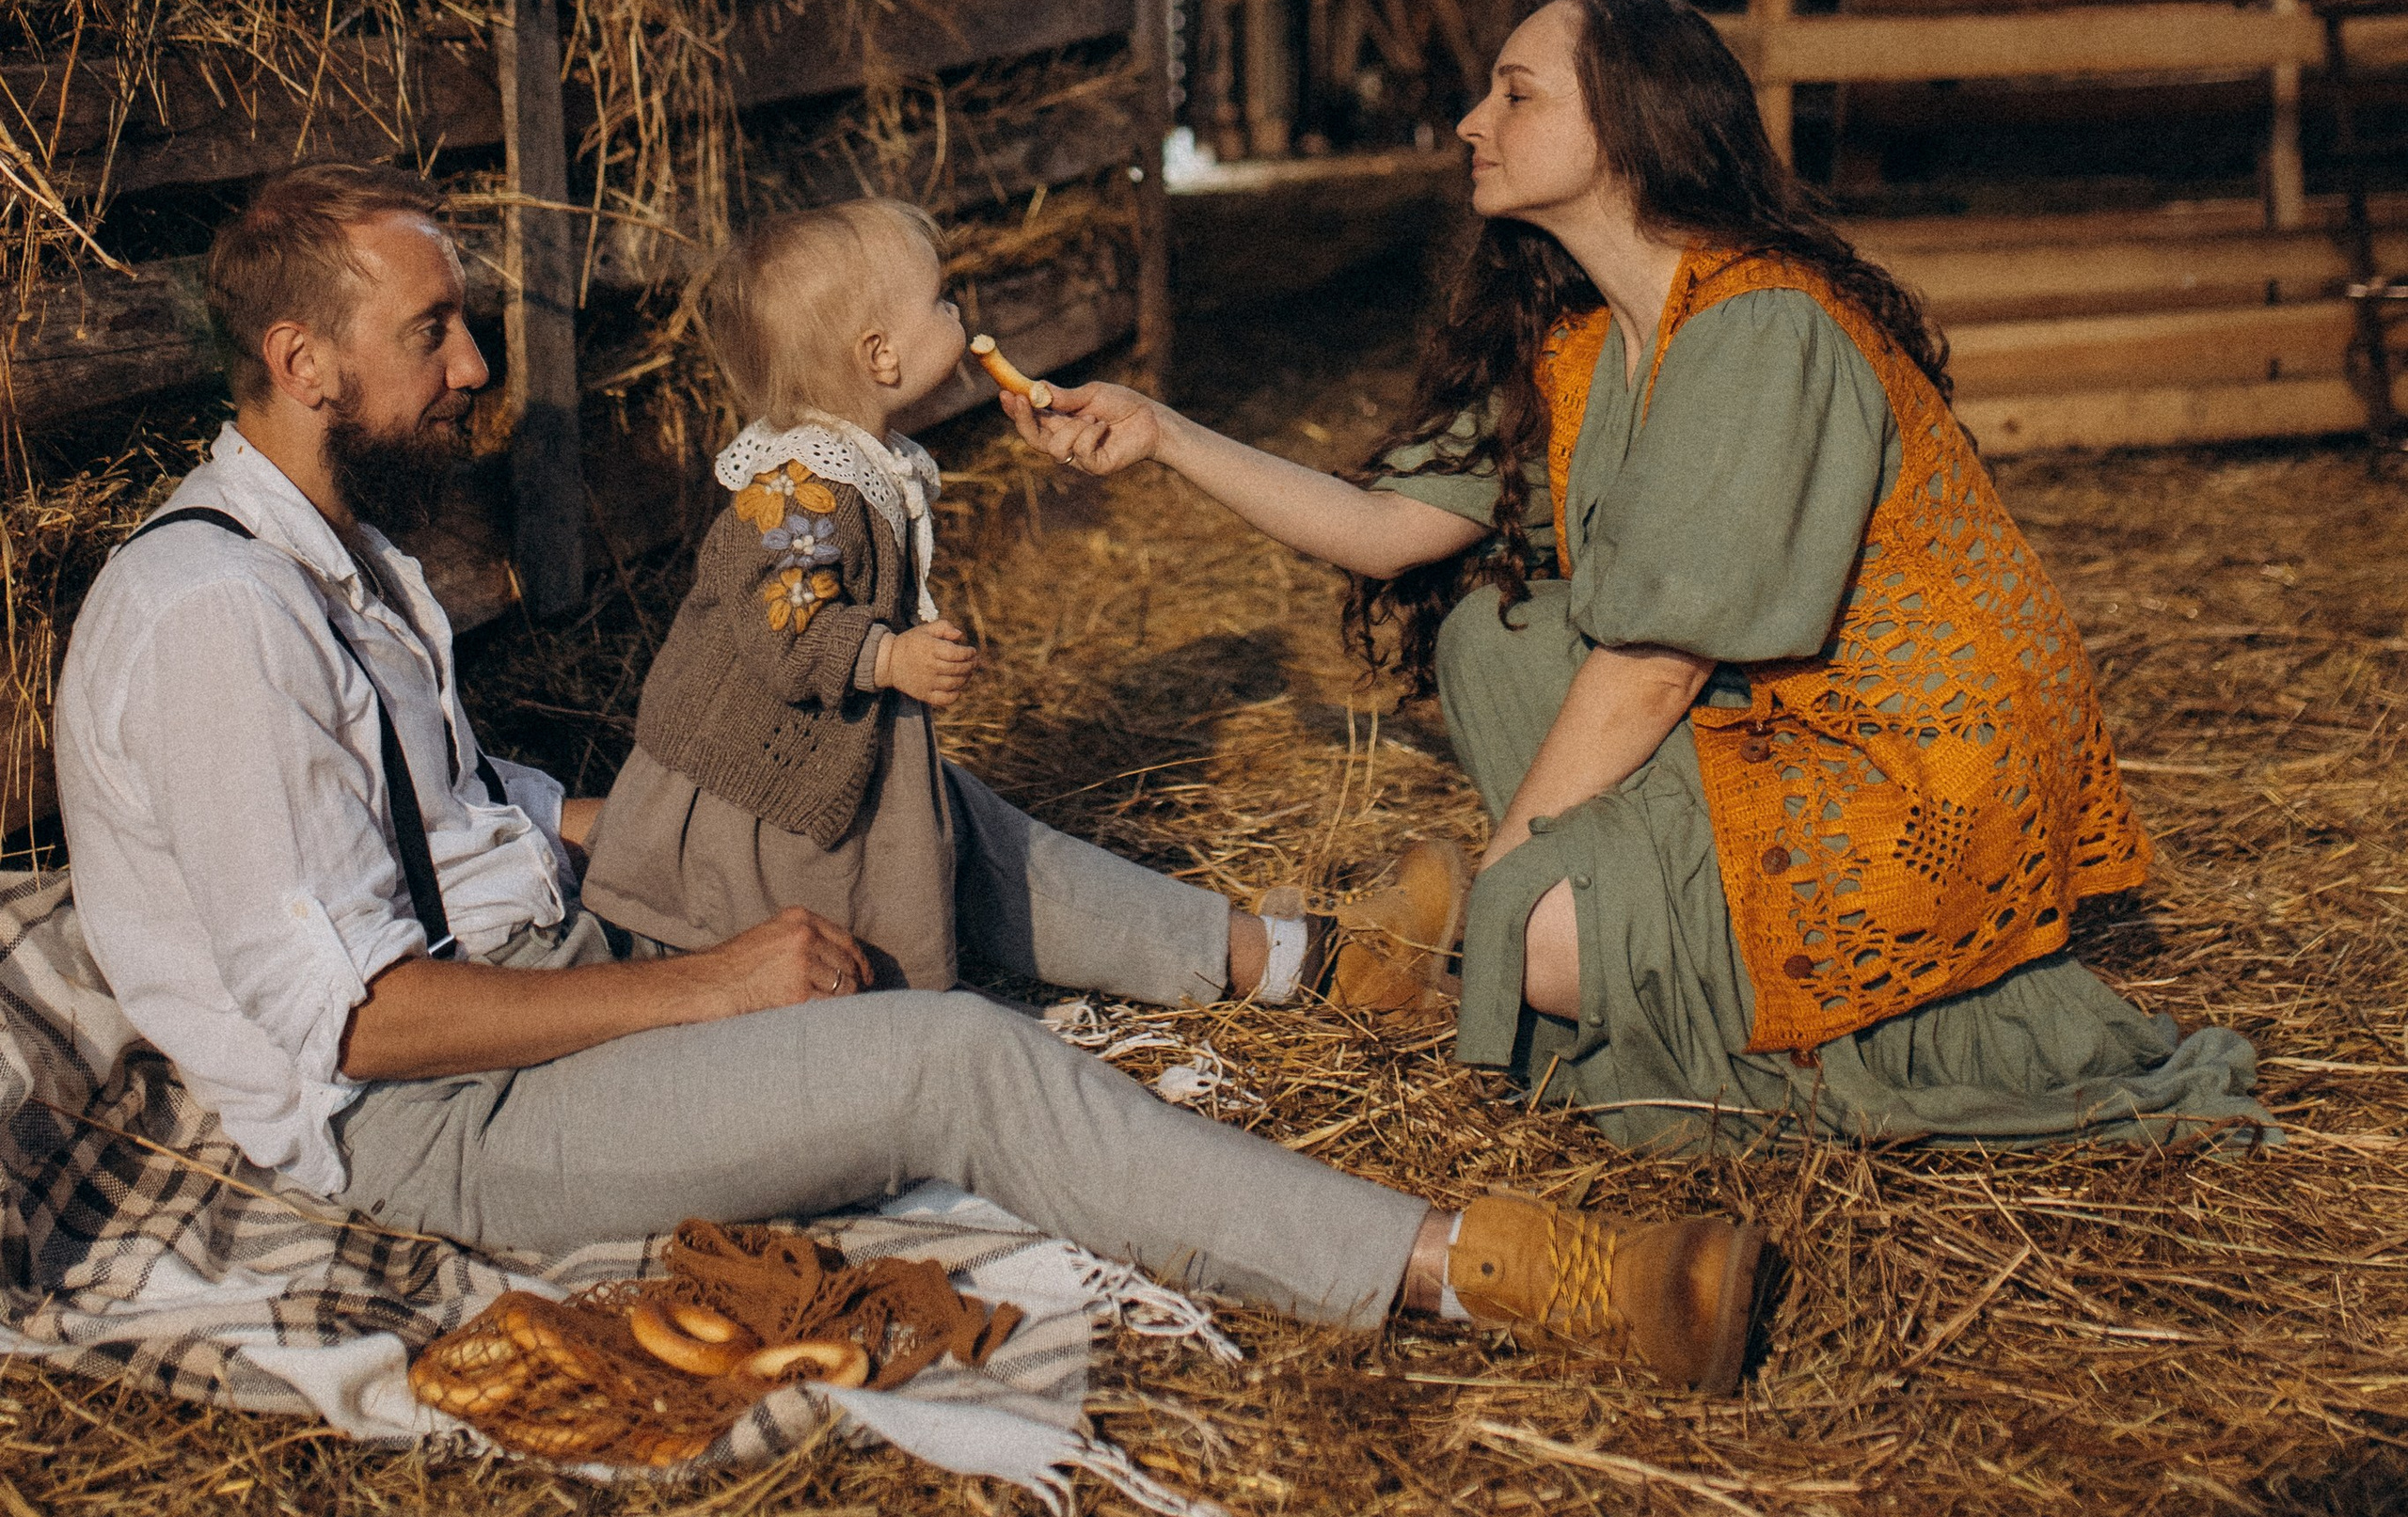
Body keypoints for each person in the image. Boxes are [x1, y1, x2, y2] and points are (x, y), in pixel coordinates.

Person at [49, 160, 1768, 1394]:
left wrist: (698, 811)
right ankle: (1486, 1270)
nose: (479, 367)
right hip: (444, 1123)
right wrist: (714, 989)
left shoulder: (348, 564)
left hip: (560, 959)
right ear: (303, 364)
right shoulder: (213, 620)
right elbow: (352, 1022)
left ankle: (1319, 962)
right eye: (435, 333)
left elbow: (458, 816)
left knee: (883, 787)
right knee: (957, 1063)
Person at [1014, 0, 2268, 1153]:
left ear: (1625, 128)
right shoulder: (1584, 342)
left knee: (1541, 936)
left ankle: (1679, 967)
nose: (1469, 121)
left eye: (1516, 93)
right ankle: (1609, 926)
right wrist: (1162, 434)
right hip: (1784, 730)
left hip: (1909, 771)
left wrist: (1508, 884)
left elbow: (1659, 666)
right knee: (1491, 638)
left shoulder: (1760, 323)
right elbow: (1388, 529)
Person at [582, 197, 1318, 1008]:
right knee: (843, 918)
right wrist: (886, 655)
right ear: (881, 355)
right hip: (767, 792)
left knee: (949, 849)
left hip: (836, 754)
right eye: (940, 299)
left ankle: (1258, 960)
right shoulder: (798, 485)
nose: (959, 314)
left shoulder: (867, 463)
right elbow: (781, 621)